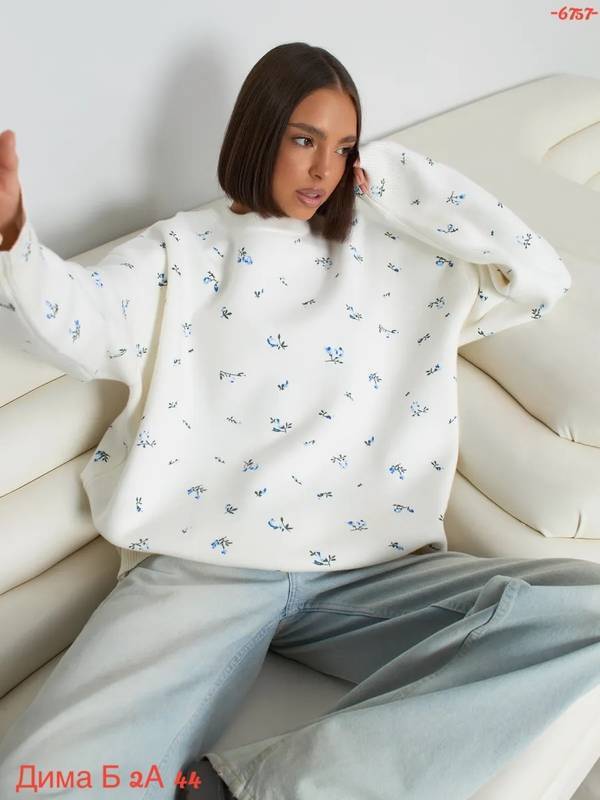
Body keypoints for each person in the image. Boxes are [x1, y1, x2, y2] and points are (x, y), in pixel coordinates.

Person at [0, 41, 598, 800]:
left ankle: (262, 788)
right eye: (304, 140)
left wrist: (396, 174)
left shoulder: (406, 253)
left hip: (370, 573)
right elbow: (77, 321)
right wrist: (13, 235)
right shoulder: (182, 250)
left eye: (343, 147)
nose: (323, 170)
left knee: (585, 611)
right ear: (259, 133)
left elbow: (540, 278)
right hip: (205, 568)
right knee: (45, 780)